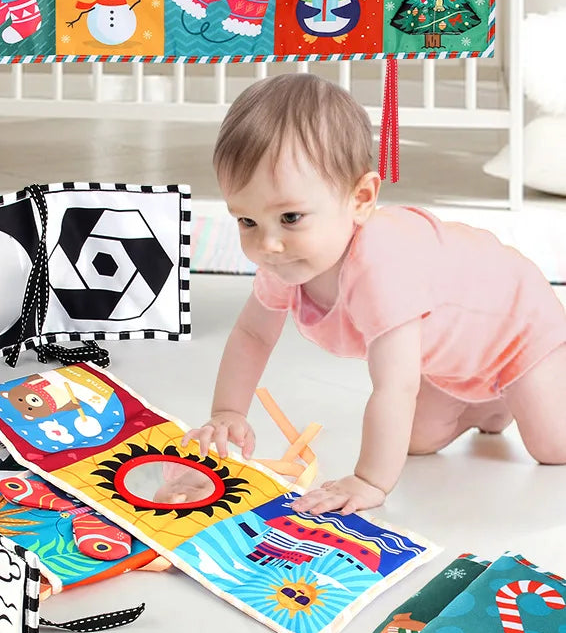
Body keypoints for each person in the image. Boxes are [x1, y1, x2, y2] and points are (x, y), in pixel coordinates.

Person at [184, 74, 566, 515]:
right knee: (417, 441)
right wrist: (228, 411)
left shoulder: (383, 266)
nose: (266, 244)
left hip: (519, 330)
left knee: (553, 445)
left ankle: (528, 387)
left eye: (290, 217)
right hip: (455, 358)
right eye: (247, 221)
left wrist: (369, 481)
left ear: (361, 197)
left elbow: (395, 386)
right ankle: (492, 405)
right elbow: (253, 335)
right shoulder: (285, 259)